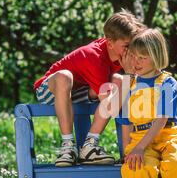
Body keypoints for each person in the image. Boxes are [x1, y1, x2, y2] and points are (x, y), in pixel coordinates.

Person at [33, 10, 146, 167]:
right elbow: (111, 107)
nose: (131, 50)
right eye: (127, 46)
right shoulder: (94, 57)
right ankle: (68, 146)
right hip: (51, 89)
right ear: (110, 44)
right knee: (65, 76)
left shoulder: (119, 53)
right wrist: (129, 75)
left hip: (79, 91)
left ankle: (89, 145)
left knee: (119, 81)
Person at [116, 28, 177, 178]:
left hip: (169, 137)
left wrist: (140, 148)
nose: (135, 62)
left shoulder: (168, 84)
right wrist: (128, 151)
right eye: (133, 56)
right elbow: (125, 120)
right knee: (135, 167)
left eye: (142, 58)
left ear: (156, 57)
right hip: (139, 138)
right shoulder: (129, 85)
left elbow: (161, 120)